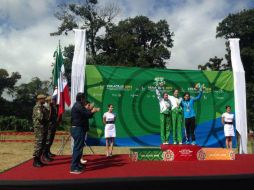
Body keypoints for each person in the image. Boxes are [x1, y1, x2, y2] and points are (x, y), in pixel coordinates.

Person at [70, 93, 99, 174]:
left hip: (79, 128)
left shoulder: (79, 105)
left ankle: (78, 164)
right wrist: (93, 110)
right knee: (77, 148)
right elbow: (87, 114)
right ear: (81, 99)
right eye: (84, 99)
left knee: (79, 148)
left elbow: (86, 114)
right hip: (77, 129)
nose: (85, 100)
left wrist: (91, 110)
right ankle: (73, 167)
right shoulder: (78, 106)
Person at [32, 94, 49, 167]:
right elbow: (40, 117)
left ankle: (39, 159)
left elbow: (48, 115)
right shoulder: (37, 107)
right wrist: (46, 118)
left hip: (43, 127)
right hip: (39, 128)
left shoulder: (43, 107)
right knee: (39, 144)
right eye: (44, 99)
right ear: (40, 99)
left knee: (42, 144)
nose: (45, 100)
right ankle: (35, 161)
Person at [155, 80, 172, 145]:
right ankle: (163, 140)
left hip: (168, 114)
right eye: (165, 95)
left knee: (168, 128)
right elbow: (157, 93)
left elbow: (170, 107)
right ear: (163, 96)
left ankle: (167, 140)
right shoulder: (160, 99)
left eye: (167, 95)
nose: (166, 96)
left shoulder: (169, 101)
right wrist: (158, 87)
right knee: (163, 128)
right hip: (162, 114)